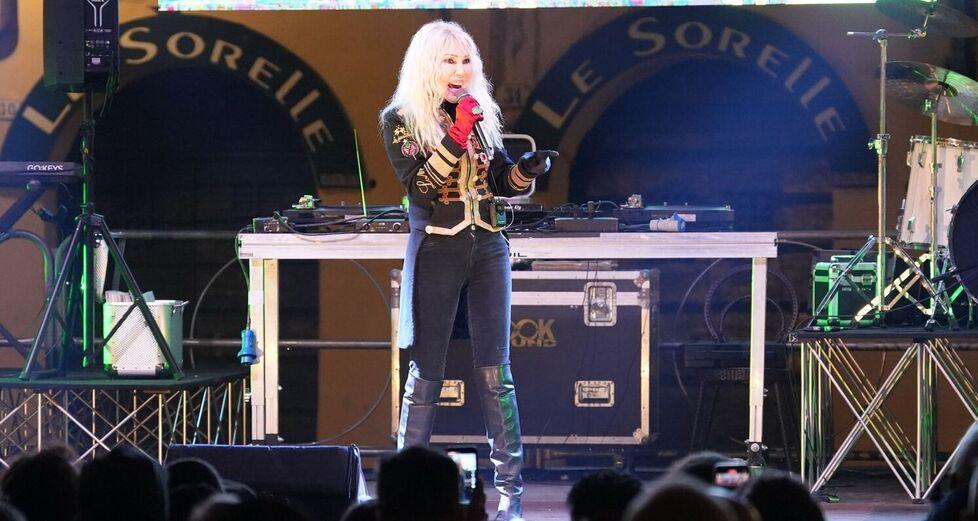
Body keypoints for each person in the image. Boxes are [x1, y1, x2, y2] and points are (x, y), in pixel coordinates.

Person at [379, 19, 557, 521]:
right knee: (426, 371)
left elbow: (499, 179)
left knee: (496, 372)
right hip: (437, 247)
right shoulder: (401, 117)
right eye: (448, 60)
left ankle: (511, 495)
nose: (459, 70)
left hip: (490, 247)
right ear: (427, 66)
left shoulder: (480, 114)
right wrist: (456, 132)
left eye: (465, 61)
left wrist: (527, 169)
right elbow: (421, 187)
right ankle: (403, 492)